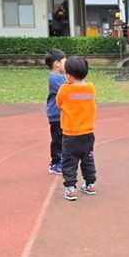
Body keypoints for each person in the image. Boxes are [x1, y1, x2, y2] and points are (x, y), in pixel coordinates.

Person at [55, 56, 97, 201]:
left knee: (69, 161)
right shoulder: (90, 87)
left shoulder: (65, 89)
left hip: (71, 134)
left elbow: (59, 103)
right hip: (88, 133)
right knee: (88, 159)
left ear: (69, 75)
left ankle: (70, 189)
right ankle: (90, 184)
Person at [44, 49, 67, 175]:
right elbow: (66, 90)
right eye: (65, 61)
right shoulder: (54, 78)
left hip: (62, 114)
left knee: (63, 138)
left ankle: (61, 160)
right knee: (57, 139)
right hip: (56, 115)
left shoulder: (60, 77)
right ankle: (55, 163)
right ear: (57, 64)